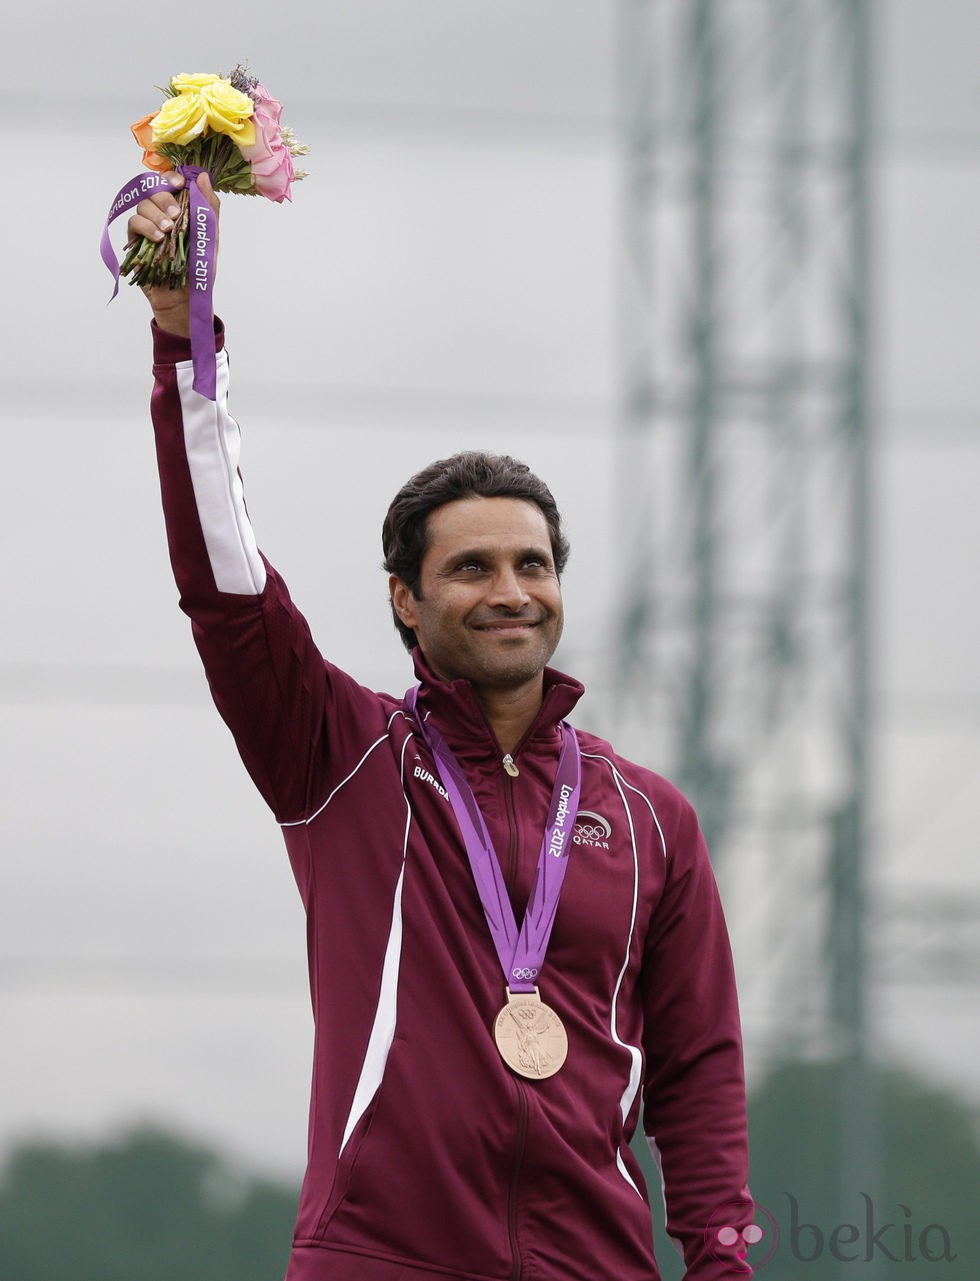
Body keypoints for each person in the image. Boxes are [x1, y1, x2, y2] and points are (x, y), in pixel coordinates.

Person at [126, 173, 754, 1281]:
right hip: (382, 1259)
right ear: (405, 601)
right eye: (469, 568)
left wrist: (720, 1261)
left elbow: (697, 1071)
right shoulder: (338, 754)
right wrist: (185, 341)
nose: (509, 591)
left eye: (532, 565)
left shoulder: (649, 818)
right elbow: (226, 588)